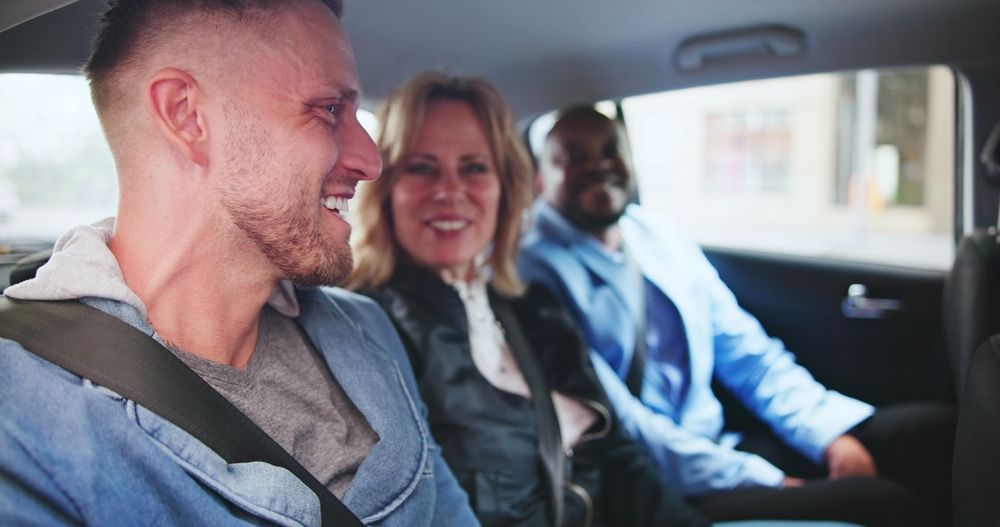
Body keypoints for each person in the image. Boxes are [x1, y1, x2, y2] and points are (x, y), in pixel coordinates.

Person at [0, 1, 478, 525]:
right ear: (186, 115)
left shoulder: (368, 329)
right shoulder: (22, 420)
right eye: (327, 110)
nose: (370, 160)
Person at [519, 105, 956, 526]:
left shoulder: (658, 236)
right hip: (665, 482)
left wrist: (828, 437)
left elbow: (749, 355)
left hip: (722, 442)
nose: (599, 165)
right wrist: (771, 482)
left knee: (936, 435)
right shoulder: (531, 272)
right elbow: (619, 424)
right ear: (539, 179)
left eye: (611, 150)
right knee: (883, 507)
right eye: (573, 157)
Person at [349, 71, 712, 527]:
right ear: (386, 188)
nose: (450, 192)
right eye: (422, 167)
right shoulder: (364, 327)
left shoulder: (531, 305)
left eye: (474, 167)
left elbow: (621, 462)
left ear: (505, 187)